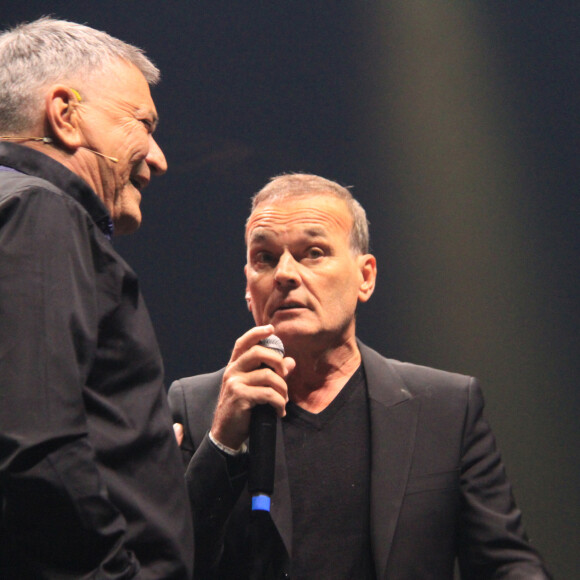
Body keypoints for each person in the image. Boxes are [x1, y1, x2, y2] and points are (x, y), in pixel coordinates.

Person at [169, 173, 551, 579]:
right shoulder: (196, 407)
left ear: (365, 276)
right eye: (264, 258)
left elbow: (505, 565)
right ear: (248, 286)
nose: (284, 273)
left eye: (312, 252)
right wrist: (223, 444)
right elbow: (166, 563)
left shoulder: (446, 408)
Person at [0, 18, 193, 579]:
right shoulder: (39, 211)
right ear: (65, 115)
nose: (158, 158)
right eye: (143, 124)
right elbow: (33, 444)